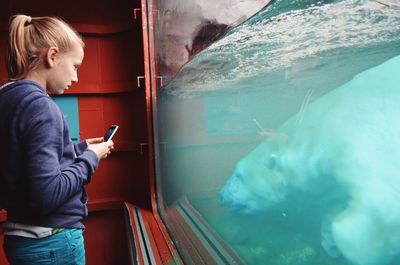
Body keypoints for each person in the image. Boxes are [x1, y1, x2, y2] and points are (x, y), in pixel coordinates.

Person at [0, 14, 114, 265]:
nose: (75, 78)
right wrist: (90, 159)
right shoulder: (42, 107)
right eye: (75, 66)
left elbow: (23, 158)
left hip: (19, 238)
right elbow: (47, 194)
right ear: (52, 56)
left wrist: (80, 148)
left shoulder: (7, 97)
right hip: (52, 242)